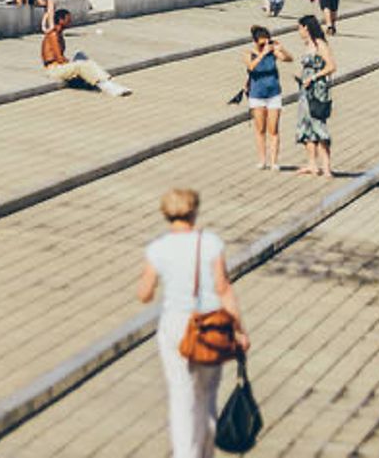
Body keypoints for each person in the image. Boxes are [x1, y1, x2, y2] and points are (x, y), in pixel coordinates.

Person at [136, 189, 250, 458]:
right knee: (208, 393)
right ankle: (206, 450)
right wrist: (239, 330)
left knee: (181, 393)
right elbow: (224, 288)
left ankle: (186, 453)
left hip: (177, 324)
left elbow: (144, 293)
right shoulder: (211, 243)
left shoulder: (158, 248)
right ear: (194, 211)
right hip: (211, 322)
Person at [40, 8, 131, 95]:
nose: (70, 21)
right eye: (68, 19)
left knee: (82, 57)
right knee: (80, 65)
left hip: (59, 66)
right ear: (60, 20)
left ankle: (107, 81)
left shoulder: (59, 34)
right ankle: (107, 87)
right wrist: (73, 64)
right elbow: (59, 58)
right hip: (53, 70)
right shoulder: (53, 34)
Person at [244, 25, 291, 169]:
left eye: (267, 42)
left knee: (274, 129)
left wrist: (281, 49)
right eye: (261, 43)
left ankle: (274, 161)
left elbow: (288, 59)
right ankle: (262, 160)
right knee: (260, 129)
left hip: (273, 93)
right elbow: (251, 67)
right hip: (257, 94)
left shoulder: (272, 52)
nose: (265, 45)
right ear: (255, 41)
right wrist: (262, 53)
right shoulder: (248, 53)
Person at [295, 14, 337, 177]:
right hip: (305, 90)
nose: (299, 32)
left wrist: (313, 77)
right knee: (305, 125)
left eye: (299, 28)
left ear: (306, 28)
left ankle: (326, 166)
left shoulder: (320, 44)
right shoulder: (308, 45)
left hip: (317, 90)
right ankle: (312, 164)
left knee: (319, 125)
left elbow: (331, 66)